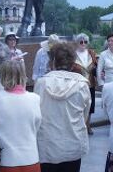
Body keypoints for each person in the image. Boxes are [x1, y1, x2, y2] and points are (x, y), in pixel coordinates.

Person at [35, 42, 91, 172]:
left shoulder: (41, 83)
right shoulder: (82, 85)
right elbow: (84, 115)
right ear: (72, 63)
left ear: (53, 61)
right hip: (73, 144)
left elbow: (37, 113)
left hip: (48, 145)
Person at [0, 60, 42, 172]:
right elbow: (36, 127)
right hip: (31, 159)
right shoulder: (35, 98)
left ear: (2, 76)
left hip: (5, 160)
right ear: (23, 75)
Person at [73, 33, 98, 134]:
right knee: (79, 105)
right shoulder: (73, 55)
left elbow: (96, 65)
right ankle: (81, 125)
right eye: (81, 42)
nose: (83, 44)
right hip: (77, 85)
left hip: (90, 84)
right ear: (77, 43)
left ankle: (88, 125)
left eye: (85, 42)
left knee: (90, 105)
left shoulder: (91, 53)